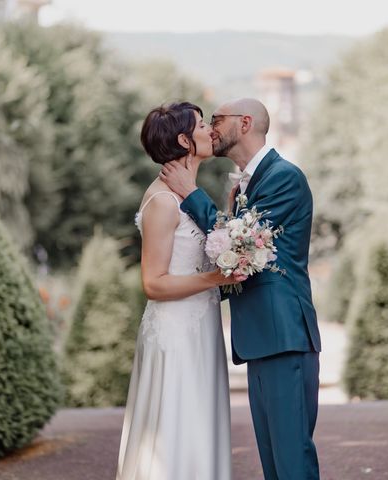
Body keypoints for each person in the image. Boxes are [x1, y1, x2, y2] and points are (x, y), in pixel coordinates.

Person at [160, 98, 322, 480]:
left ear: (244, 123)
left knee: (292, 460)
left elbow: (239, 248)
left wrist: (190, 192)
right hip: (261, 337)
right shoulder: (250, 183)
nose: (211, 128)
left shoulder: (284, 176)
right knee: (274, 463)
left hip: (285, 335)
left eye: (216, 119)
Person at [116, 102, 239, 480]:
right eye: (202, 126)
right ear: (185, 140)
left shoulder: (187, 192)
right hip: (176, 332)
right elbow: (153, 283)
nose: (210, 132)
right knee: (177, 428)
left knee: (200, 424)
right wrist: (216, 279)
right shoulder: (163, 201)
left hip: (200, 326)